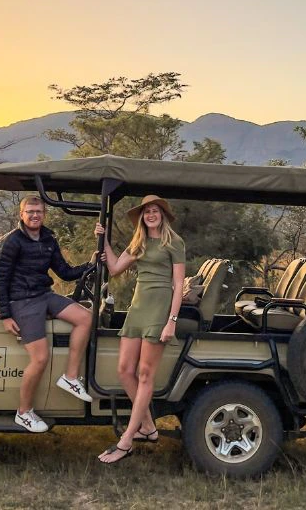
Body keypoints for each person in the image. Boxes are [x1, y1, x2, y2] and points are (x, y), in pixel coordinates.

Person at [93, 194, 185, 463]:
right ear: (142, 217)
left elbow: (179, 285)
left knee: (145, 375)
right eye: (147, 212)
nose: (151, 215)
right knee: (124, 371)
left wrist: (172, 320)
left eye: (155, 211)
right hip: (138, 309)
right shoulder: (139, 242)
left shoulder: (174, 242)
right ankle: (148, 427)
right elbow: (114, 268)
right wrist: (104, 240)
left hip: (159, 310)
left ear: (163, 215)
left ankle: (127, 439)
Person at [0, 195, 96, 433]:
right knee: (40, 359)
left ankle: (70, 377)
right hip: (22, 301)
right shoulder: (11, 242)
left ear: (44, 214)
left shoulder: (48, 238)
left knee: (85, 318)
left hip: (44, 294)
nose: (34, 215)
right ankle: (24, 412)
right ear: (21, 214)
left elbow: (65, 272)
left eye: (38, 211)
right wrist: (5, 316)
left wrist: (92, 264)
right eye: (30, 212)